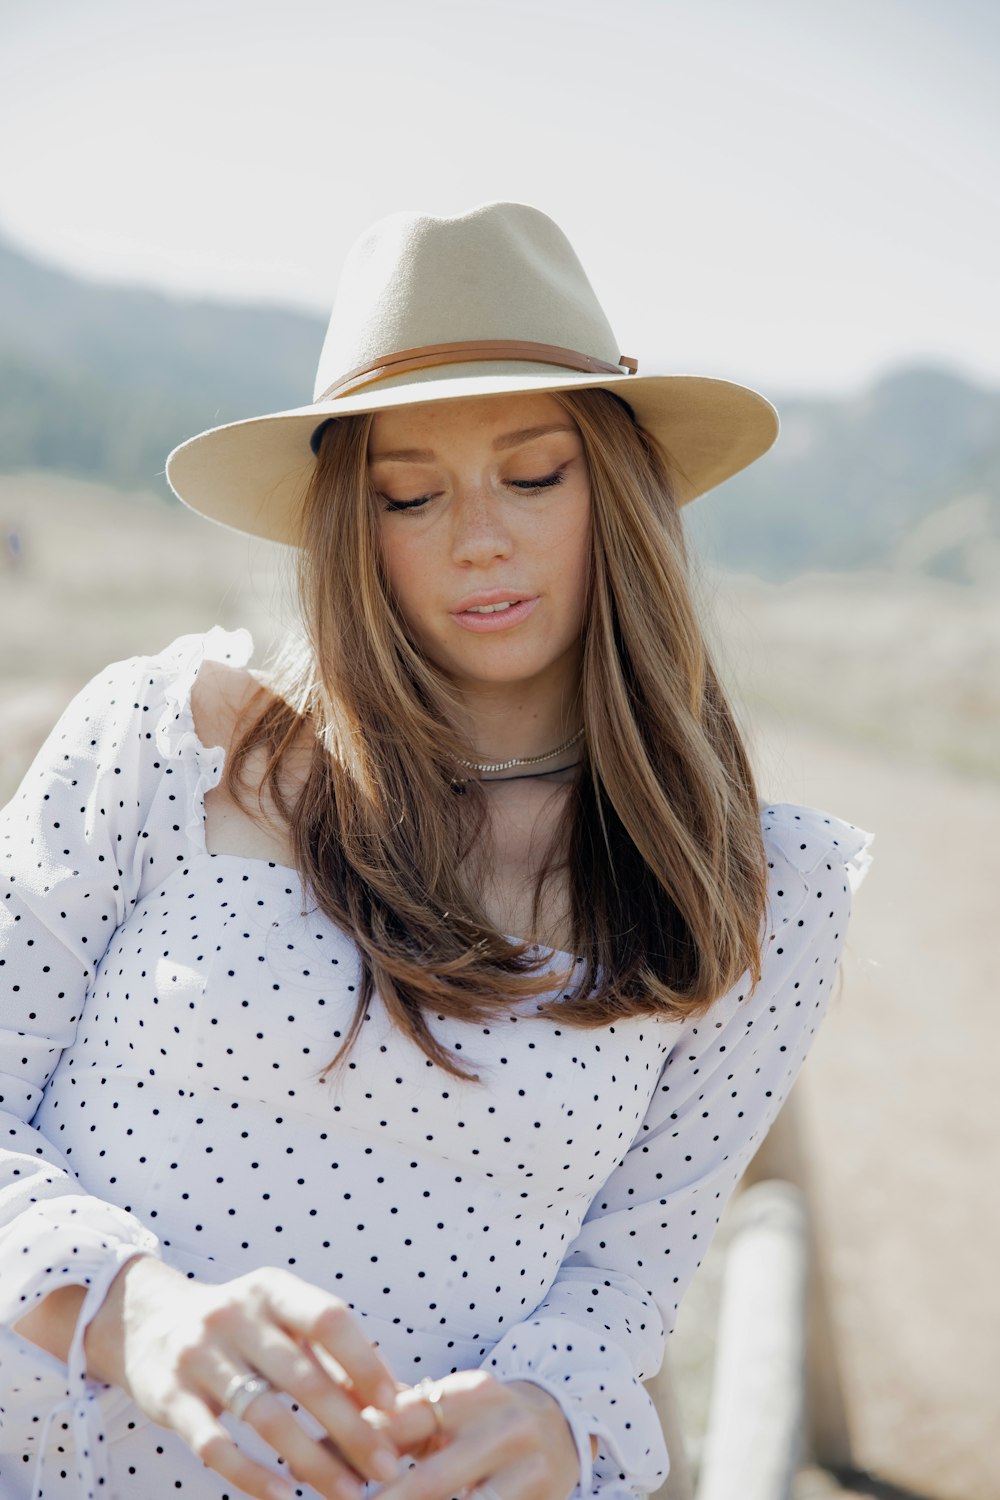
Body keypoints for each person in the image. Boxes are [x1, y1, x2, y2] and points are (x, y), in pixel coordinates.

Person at [0, 202, 872, 1500]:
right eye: (413, 494)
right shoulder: (166, 740)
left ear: (618, 488)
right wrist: (142, 1317)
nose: (479, 538)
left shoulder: (755, 891)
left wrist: (548, 1414)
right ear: (354, 519)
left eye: (534, 474)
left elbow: (617, 1309)